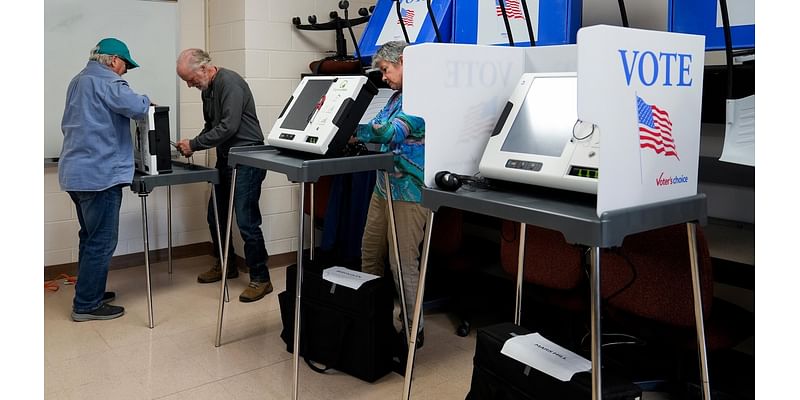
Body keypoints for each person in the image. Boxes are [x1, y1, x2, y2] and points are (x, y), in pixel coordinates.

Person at [59, 38, 150, 321]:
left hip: (75, 174)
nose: (125, 72)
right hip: (100, 177)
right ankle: (86, 304)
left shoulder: (78, 80)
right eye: (125, 65)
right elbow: (138, 108)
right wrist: (147, 100)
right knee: (102, 241)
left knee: (89, 237)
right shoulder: (109, 83)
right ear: (112, 61)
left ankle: (90, 291)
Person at [175, 48, 273, 303]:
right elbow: (212, 126)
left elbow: (228, 126)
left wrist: (195, 144)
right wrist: (192, 143)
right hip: (227, 158)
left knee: (246, 220)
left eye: (190, 79)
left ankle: (261, 278)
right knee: (215, 215)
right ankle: (226, 265)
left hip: (249, 158)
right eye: (186, 80)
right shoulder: (207, 89)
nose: (189, 85)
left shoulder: (230, 82)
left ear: (205, 68)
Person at [353, 41, 428, 347]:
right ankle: (369, 316)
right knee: (369, 252)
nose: (383, 77)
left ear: (403, 61)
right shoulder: (396, 97)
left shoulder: (423, 98)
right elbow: (378, 125)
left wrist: (349, 126)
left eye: (386, 70)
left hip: (409, 193)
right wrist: (366, 128)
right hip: (383, 187)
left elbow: (388, 132)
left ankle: (413, 328)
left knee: (402, 264)